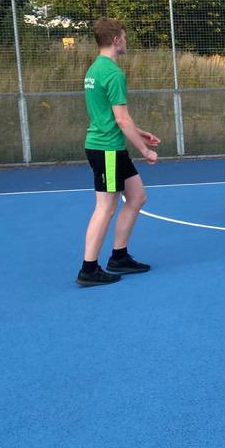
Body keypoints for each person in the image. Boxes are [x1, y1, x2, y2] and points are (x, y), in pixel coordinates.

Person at [77, 17, 160, 287]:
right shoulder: (112, 72)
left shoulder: (94, 69)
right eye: (124, 36)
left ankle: (119, 257)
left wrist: (140, 133)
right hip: (107, 149)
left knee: (136, 197)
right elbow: (122, 120)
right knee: (105, 207)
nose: (126, 41)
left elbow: (111, 116)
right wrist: (144, 149)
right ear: (116, 40)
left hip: (108, 146)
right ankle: (89, 269)